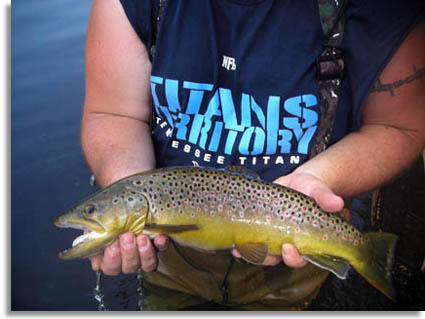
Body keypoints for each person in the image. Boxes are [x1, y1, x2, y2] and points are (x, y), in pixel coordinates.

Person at [80, 0, 425, 310]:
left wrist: (320, 178)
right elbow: (114, 113)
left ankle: (363, 253)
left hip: (293, 266)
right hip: (168, 260)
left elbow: (399, 126)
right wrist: (125, 186)